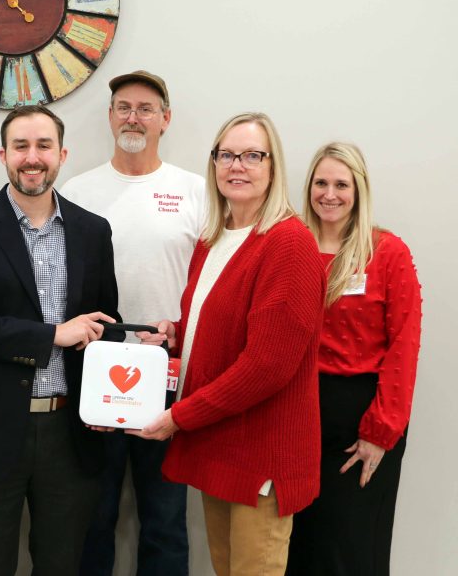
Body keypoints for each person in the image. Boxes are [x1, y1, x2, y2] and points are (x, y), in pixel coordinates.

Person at [132, 112, 325, 576]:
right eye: (226, 155)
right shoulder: (214, 238)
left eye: (252, 156)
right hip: (222, 446)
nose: (237, 166)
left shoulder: (288, 244)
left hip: (262, 455)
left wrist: (180, 416)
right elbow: (222, 324)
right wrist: (180, 334)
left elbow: (267, 365)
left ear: (273, 166)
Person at [0, 105, 120, 576]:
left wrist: (135, 346)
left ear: (62, 154)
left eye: (43, 146)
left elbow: (104, 322)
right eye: (21, 146)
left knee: (61, 565)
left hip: (70, 430)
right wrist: (54, 335)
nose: (32, 157)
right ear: (3, 155)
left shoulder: (93, 231)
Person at [62, 70, 204, 576]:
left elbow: (212, 281)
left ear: (166, 120)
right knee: (93, 515)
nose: (133, 117)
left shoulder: (196, 191)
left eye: (146, 108)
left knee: (165, 516)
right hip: (96, 364)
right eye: (123, 106)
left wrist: (181, 329)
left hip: (170, 370)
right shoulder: (77, 190)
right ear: (109, 116)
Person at [286, 142, 422, 576]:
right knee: (297, 545)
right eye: (321, 183)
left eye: (341, 184)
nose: (330, 194)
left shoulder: (387, 252)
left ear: (359, 190)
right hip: (297, 415)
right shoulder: (291, 247)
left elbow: (405, 344)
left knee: (348, 548)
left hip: (362, 419)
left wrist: (381, 432)